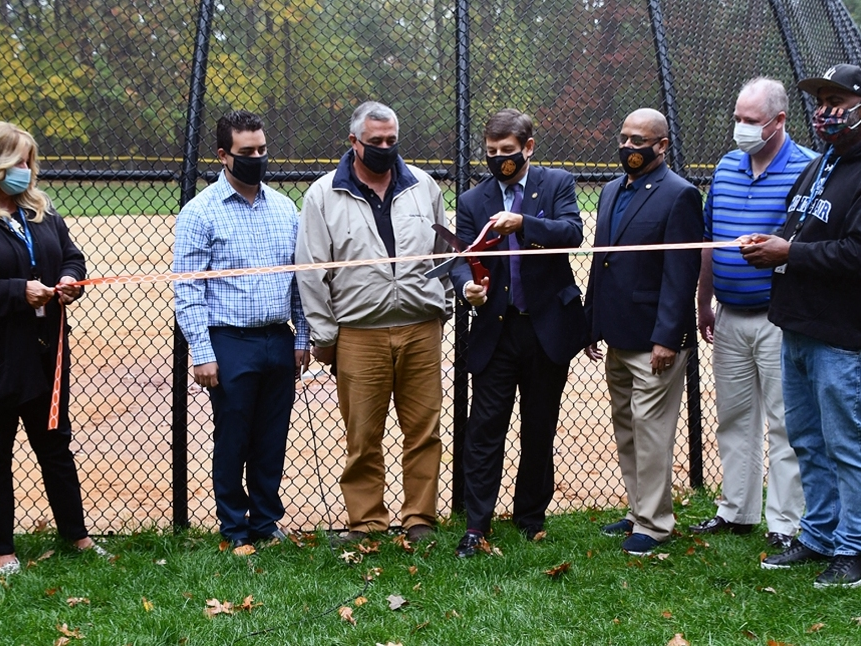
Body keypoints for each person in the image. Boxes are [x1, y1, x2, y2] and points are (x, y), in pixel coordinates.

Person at [295, 101, 452, 544]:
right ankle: (366, 521)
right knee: (363, 434)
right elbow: (311, 270)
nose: (384, 149)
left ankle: (419, 519)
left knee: (423, 430)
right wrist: (324, 335)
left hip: (422, 327)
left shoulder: (423, 186)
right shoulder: (324, 195)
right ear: (353, 142)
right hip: (359, 333)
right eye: (375, 142)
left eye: (391, 141)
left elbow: (445, 252)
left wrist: (445, 303)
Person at [740, 64, 861, 587]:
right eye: (821, 99)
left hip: (842, 336)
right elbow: (796, 231)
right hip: (798, 327)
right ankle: (819, 535)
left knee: (846, 446)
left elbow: (855, 252)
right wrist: (770, 248)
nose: (826, 110)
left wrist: (789, 252)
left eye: (838, 100)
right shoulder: (821, 166)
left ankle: (853, 549)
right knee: (807, 441)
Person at [449, 109, 588, 557]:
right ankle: (476, 524)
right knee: (485, 428)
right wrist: (466, 287)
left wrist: (524, 224)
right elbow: (460, 258)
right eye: (490, 153)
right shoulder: (474, 201)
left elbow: (572, 232)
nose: (498, 160)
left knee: (539, 427)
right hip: (496, 331)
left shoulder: (557, 183)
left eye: (506, 152)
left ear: (528, 148)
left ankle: (531, 517)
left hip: (546, 327)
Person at [173, 110, 309, 550]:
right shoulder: (200, 213)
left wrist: (302, 337)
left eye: (261, 150)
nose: (256, 158)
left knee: (271, 438)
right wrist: (202, 351)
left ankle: (266, 523)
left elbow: (298, 281)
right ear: (223, 155)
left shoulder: (285, 208)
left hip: (278, 338)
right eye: (246, 152)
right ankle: (234, 528)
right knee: (233, 438)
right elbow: (188, 289)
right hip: (228, 342)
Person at [689, 78, 813, 549]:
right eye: (737, 119)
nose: (740, 128)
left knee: (786, 423)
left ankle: (785, 523)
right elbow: (710, 240)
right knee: (735, 417)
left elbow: (811, 247)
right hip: (729, 314)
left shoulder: (806, 169)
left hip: (781, 317)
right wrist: (704, 301)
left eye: (751, 121)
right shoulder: (725, 168)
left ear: (779, 121)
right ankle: (736, 511)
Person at [584, 108, 703, 556]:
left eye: (640, 140)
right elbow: (603, 259)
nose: (630, 148)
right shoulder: (613, 189)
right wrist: (592, 320)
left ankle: (654, 524)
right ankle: (638, 511)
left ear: (662, 145)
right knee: (628, 427)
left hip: (655, 339)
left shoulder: (680, 196)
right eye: (625, 138)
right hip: (617, 332)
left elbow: (681, 273)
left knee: (652, 430)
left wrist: (667, 338)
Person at [0, 122, 108, 576]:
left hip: (48, 355)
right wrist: (16, 292)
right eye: (19, 161)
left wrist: (69, 281)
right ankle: (3, 550)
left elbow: (72, 256)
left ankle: (77, 534)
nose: (27, 170)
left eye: (30, 161)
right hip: (4, 358)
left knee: (56, 449)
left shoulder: (41, 212)